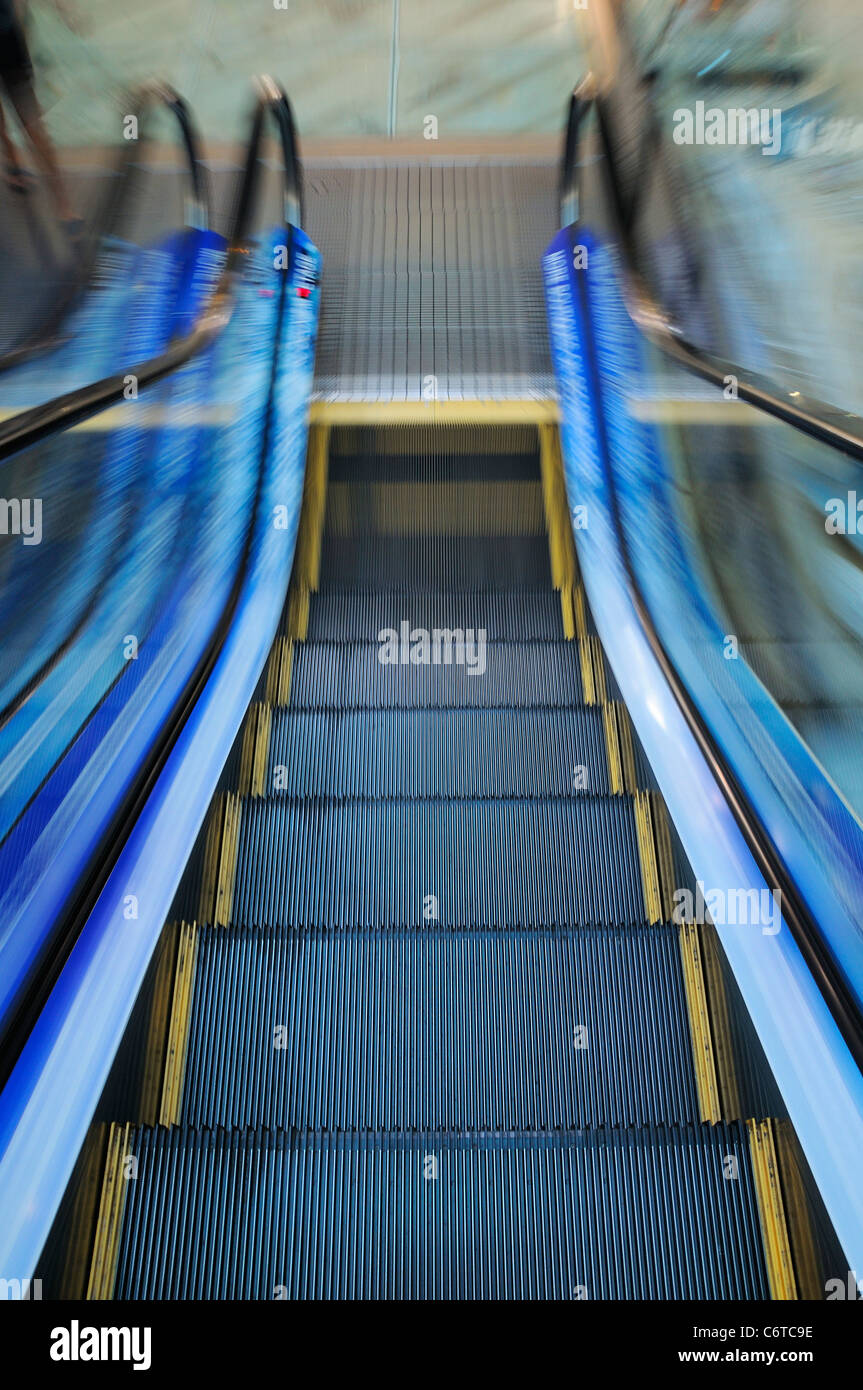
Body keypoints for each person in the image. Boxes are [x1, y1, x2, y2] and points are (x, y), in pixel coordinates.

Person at [0, 0, 76, 221]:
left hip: (10, 50)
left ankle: (63, 202)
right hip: (10, 42)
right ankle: (14, 164)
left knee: (35, 129)